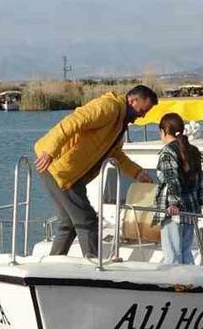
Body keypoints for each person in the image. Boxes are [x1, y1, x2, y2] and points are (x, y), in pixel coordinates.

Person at [35, 85, 158, 257]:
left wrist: (137, 173)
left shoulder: (118, 122)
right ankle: (93, 269)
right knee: (87, 220)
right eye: (142, 110)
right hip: (60, 169)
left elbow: (114, 153)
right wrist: (49, 151)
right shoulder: (109, 108)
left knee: (68, 223)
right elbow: (73, 121)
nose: (142, 115)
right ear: (133, 100)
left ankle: (51, 266)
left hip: (67, 173)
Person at [153, 112, 203, 264]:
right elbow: (201, 180)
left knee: (172, 254)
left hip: (173, 212)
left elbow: (171, 179)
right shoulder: (193, 150)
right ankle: (189, 282)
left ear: (163, 132)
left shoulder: (167, 152)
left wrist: (173, 203)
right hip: (191, 210)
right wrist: (199, 203)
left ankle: (177, 285)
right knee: (185, 251)